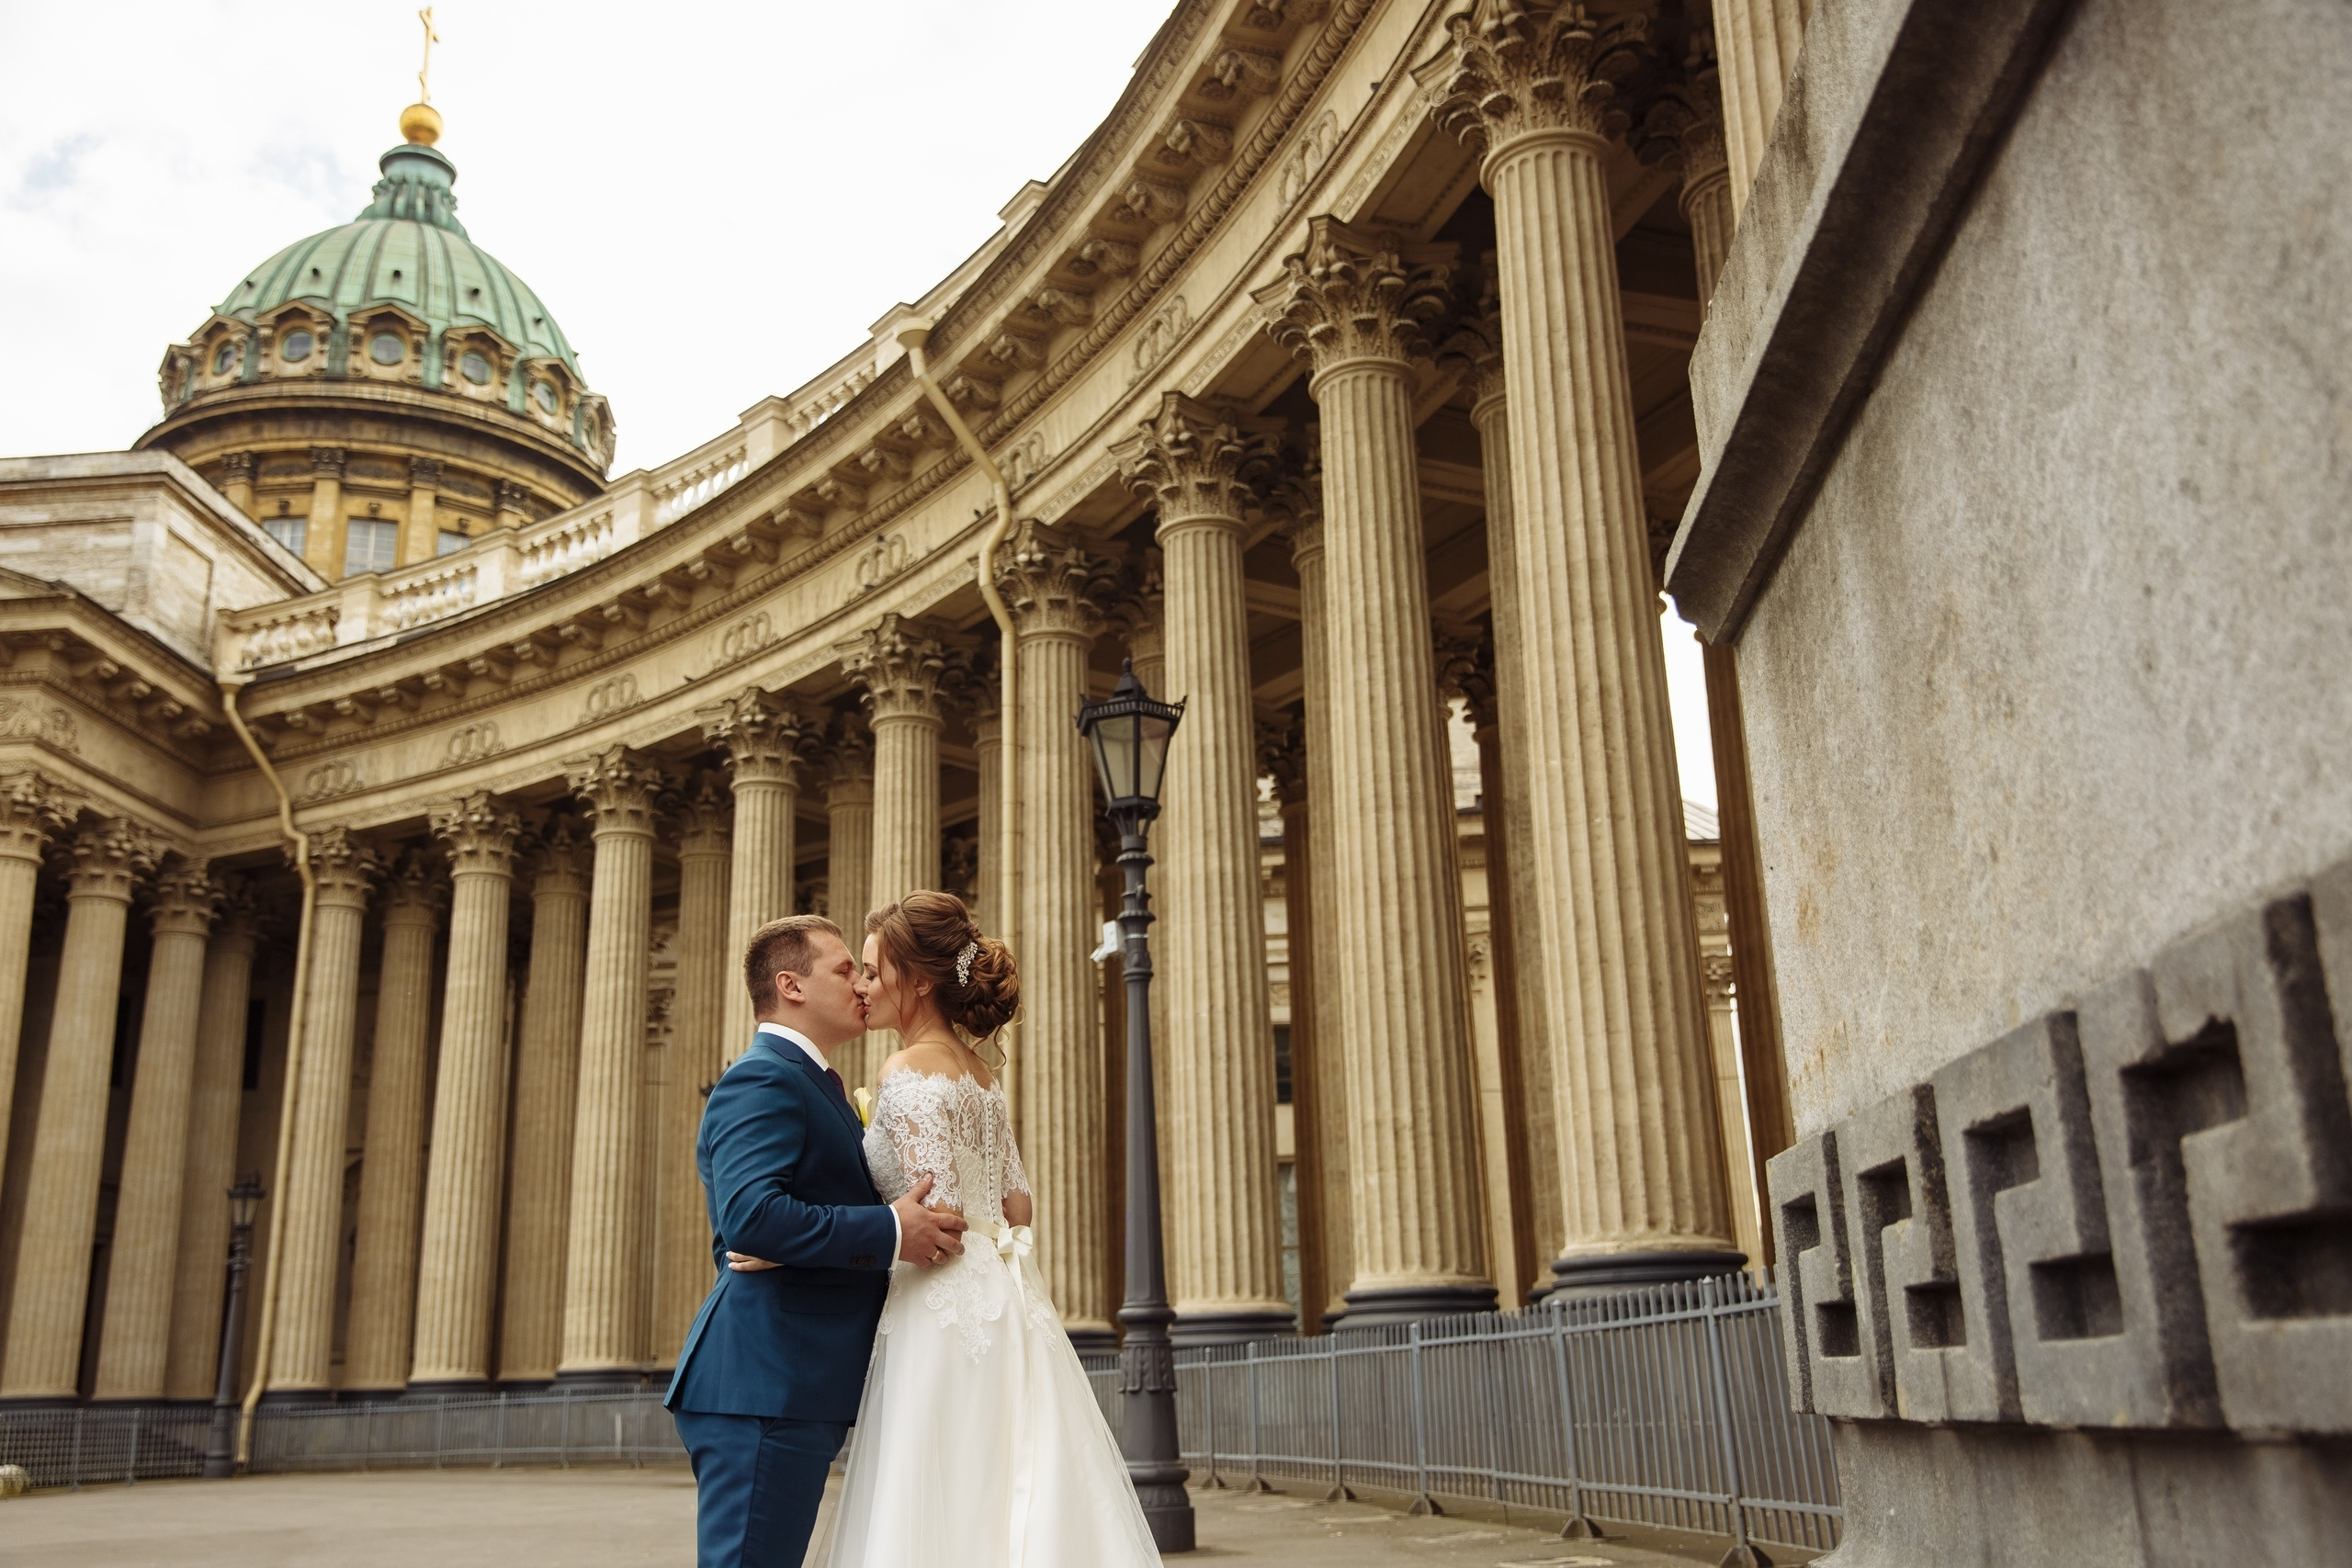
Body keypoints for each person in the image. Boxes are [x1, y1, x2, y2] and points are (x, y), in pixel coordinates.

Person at [726, 891, 1163, 1566]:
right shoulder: (982, 1075)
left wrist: (793, 1246)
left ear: (919, 980)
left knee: (936, 1486)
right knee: (1009, 1470)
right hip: (1006, 1296)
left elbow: (936, 1221)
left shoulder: (905, 1070)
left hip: (938, 1303)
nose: (864, 986)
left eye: (874, 971)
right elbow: (1018, 1203)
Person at [666, 914, 970, 1568]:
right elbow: (751, 1214)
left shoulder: (808, 1081)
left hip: (792, 1382)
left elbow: (771, 1218)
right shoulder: (761, 1077)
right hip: (765, 1383)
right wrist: (891, 1228)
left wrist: (806, 1234)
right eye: (844, 970)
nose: (861, 985)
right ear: (791, 985)